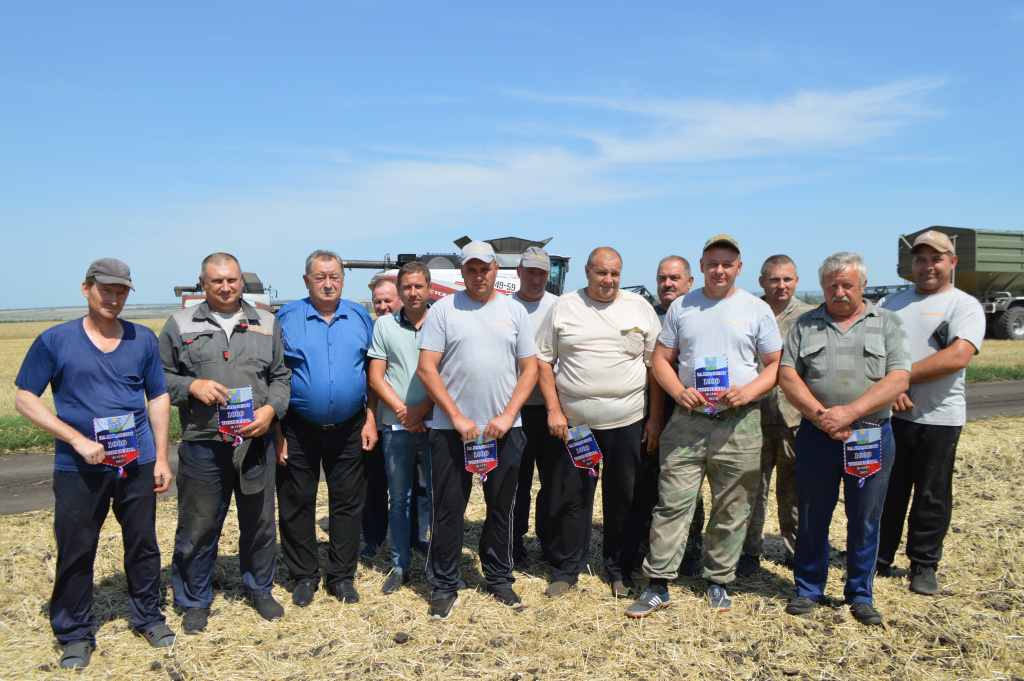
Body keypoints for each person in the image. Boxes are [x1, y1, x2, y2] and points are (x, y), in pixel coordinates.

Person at [15, 259, 175, 669]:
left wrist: (160, 456)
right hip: (78, 467)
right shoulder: (55, 340)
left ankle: (148, 617)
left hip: (135, 461)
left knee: (143, 544)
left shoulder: (142, 340)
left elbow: (157, 396)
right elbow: (25, 398)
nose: (114, 298)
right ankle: (74, 633)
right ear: (86, 289)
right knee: (76, 548)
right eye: (106, 290)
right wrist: (76, 439)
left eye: (121, 292)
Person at [628, 235, 782, 618]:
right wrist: (679, 393)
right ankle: (659, 584)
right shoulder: (683, 306)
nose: (719, 270)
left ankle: (718, 582)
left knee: (732, 507)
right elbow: (661, 360)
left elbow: (776, 365)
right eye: (713, 263)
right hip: (688, 422)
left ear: (739, 268)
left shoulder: (756, 309)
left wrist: (747, 393)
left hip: (739, 423)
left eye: (727, 264)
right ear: (702, 265)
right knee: (672, 503)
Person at [160, 253, 291, 633]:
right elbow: (159, 380)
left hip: (256, 442)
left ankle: (260, 589)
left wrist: (270, 412)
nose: (225, 286)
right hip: (204, 443)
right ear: (203, 283)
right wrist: (191, 386)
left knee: (261, 521)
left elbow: (282, 377)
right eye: (216, 281)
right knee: (198, 524)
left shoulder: (266, 322)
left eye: (232, 280)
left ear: (242, 281)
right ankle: (193, 599)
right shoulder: (180, 324)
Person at [779, 252, 910, 626]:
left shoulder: (887, 323)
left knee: (865, 517)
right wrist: (824, 418)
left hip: (868, 435)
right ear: (822, 287)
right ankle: (807, 589)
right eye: (831, 285)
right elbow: (788, 377)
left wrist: (849, 414)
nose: (839, 292)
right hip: (817, 436)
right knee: (812, 515)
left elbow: (898, 379)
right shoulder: (806, 325)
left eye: (847, 285)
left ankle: (860, 594)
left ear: (863, 286)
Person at [416, 240, 538, 619]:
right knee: (449, 509)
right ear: (463, 271)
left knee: (501, 508)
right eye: (471, 268)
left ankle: (499, 577)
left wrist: (507, 416)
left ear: (495, 270)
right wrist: (454, 416)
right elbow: (427, 368)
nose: (479, 274)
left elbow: (530, 369)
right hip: (454, 432)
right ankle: (444, 584)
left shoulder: (515, 311)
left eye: (485, 268)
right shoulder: (443, 311)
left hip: (503, 431)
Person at [536, 247, 662, 598]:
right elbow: (543, 361)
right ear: (588, 272)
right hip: (576, 424)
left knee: (625, 498)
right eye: (602, 272)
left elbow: (655, 366)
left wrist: (654, 418)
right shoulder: (564, 308)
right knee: (571, 497)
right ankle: (565, 570)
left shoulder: (639, 309)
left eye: (615, 273)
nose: (608, 280)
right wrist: (554, 411)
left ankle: (620, 569)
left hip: (627, 421)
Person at [877, 231, 985, 595]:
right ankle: (879, 558)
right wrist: (889, 388)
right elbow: (874, 351)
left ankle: (923, 565)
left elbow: (958, 356)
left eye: (936, 259)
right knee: (888, 491)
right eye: (920, 259)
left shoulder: (963, 305)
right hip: (892, 417)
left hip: (939, 418)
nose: (927, 266)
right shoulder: (892, 303)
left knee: (931, 494)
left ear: (952, 262)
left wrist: (900, 379)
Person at [275, 250, 377, 606]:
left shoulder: (360, 316)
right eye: (320, 277)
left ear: (343, 279)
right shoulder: (286, 318)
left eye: (334, 276)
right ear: (307, 281)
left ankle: (341, 577)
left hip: (350, 426)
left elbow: (374, 372)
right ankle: (304, 576)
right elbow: (274, 376)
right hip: (297, 428)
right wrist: (277, 431)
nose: (328, 283)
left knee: (348, 503)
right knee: (296, 502)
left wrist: (371, 418)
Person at [736, 255, 814, 576]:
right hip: (752, 415)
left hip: (795, 418)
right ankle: (748, 554)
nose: (781, 286)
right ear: (762, 282)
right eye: (774, 280)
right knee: (752, 489)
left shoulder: (811, 318)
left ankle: (795, 553)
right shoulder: (745, 312)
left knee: (795, 490)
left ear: (796, 281)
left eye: (788, 280)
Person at [368, 262, 435, 593]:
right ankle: (399, 564)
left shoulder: (442, 319)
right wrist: (403, 411)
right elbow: (375, 376)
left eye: (418, 286)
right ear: (400, 290)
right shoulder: (384, 326)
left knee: (439, 497)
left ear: (429, 288)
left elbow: (450, 372)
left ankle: (438, 564)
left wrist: (423, 409)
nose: (413, 292)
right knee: (399, 497)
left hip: (438, 422)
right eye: (407, 287)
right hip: (397, 425)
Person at [648, 255, 704, 577]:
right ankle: (653, 548)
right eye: (661, 279)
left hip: (694, 412)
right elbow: (654, 369)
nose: (667, 284)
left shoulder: (702, 313)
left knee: (689, 486)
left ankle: (691, 552)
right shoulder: (650, 316)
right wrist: (654, 417)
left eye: (675, 278)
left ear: (689, 282)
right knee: (654, 485)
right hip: (656, 412)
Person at [509, 246, 560, 565]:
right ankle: (513, 544)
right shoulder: (504, 308)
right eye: (530, 272)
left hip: (553, 411)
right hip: (514, 412)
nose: (536, 279)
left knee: (554, 483)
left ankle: (549, 541)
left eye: (542, 273)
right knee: (515, 483)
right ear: (519, 272)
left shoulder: (561, 306)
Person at [360, 277, 403, 558]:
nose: (383, 306)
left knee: (414, 484)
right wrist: (369, 419)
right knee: (373, 482)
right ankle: (374, 538)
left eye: (388, 300)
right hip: (377, 418)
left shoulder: (419, 327)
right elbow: (369, 380)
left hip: (409, 419)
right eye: (378, 302)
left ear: (399, 299)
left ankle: (414, 537)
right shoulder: (370, 330)